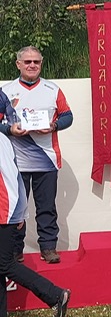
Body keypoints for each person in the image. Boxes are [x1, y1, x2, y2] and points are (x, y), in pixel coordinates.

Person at [1, 46, 73, 264]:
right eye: (27, 62)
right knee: (16, 209)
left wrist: (54, 126)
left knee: (47, 207)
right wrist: (9, 129)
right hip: (14, 161)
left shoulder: (53, 89)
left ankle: (48, 247)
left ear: (41, 64)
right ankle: (14, 251)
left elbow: (68, 116)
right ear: (18, 64)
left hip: (47, 159)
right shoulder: (6, 90)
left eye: (36, 62)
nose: (32, 65)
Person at [0, 132, 70, 317]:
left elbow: (11, 178)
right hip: (8, 209)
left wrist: (19, 212)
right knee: (2, 263)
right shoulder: (5, 139)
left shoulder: (2, 140)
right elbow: (16, 175)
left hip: (4, 210)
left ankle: (55, 294)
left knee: (5, 264)